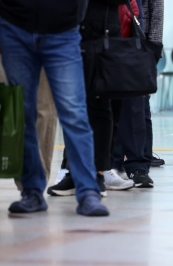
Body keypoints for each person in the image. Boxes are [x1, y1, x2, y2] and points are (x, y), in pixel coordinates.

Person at [0, 0, 109, 216]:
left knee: (74, 113)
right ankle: (32, 191)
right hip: (14, 26)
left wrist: (73, 13)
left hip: (62, 30)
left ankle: (88, 191)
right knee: (23, 114)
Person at [47, 0, 135, 196]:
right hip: (71, 30)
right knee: (73, 107)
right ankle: (73, 173)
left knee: (100, 104)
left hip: (102, 35)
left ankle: (97, 174)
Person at [111, 0, 164, 187]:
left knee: (136, 108)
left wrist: (154, 47)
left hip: (137, 43)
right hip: (106, 39)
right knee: (109, 106)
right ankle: (112, 164)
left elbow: (156, 11)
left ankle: (138, 167)